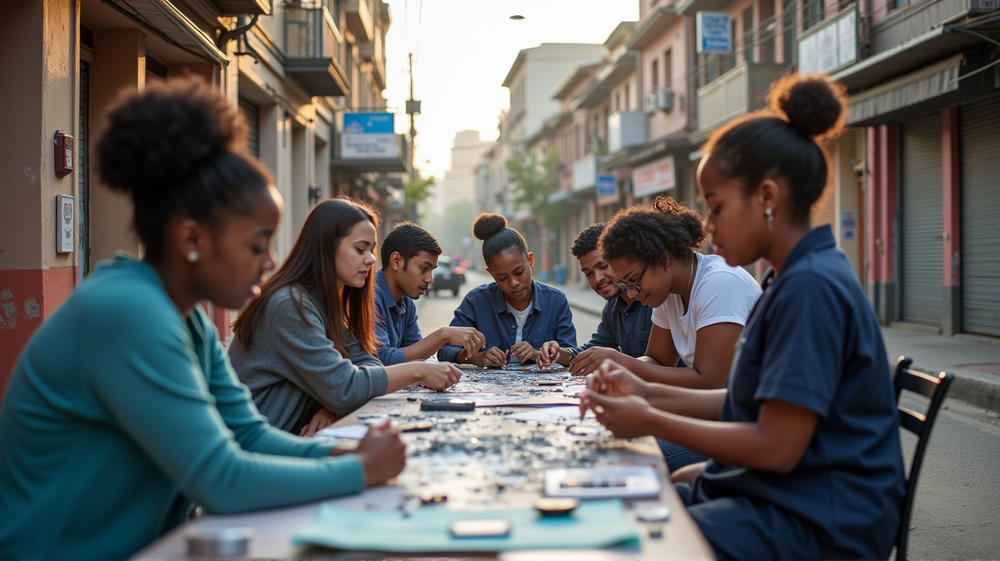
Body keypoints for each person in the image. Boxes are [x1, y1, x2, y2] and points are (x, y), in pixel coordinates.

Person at [0, 79, 405, 559]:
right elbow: (222, 479)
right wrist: (358, 471)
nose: (269, 261)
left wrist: (343, 454)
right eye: (257, 244)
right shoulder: (126, 312)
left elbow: (248, 433)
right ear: (192, 239)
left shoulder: (186, 319)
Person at [580, 74, 905, 560]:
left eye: (715, 206)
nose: (705, 226)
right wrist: (646, 391)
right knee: (630, 498)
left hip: (821, 517)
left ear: (767, 198)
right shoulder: (792, 278)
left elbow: (776, 446)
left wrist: (649, 417)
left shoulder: (810, 288)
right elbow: (747, 402)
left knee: (631, 534)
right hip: (792, 494)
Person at [230, 200, 463, 436]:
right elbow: (344, 387)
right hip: (256, 454)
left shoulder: (324, 303)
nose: (371, 260)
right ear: (326, 248)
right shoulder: (289, 305)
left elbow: (368, 362)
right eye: (360, 249)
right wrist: (418, 371)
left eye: (371, 250)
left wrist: (331, 406)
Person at [581, 196, 760, 388]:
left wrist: (622, 362)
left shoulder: (719, 283)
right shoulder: (669, 293)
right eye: (626, 285)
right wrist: (613, 369)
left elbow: (708, 383)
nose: (632, 294)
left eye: (634, 280)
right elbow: (657, 360)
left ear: (663, 258)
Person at [438, 213, 576, 366]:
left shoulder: (556, 301)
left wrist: (539, 354)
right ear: (490, 273)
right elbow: (445, 351)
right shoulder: (476, 302)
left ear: (530, 259)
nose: (514, 283)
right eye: (502, 278)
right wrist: (476, 358)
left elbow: (572, 354)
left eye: (519, 272)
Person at [537, 224, 654, 371]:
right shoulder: (612, 307)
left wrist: (616, 360)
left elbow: (662, 366)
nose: (597, 278)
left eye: (603, 266)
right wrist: (558, 353)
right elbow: (593, 351)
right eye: (588, 273)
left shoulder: (655, 299)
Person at [373, 222, 485, 365]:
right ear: (396, 261)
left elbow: (417, 353)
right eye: (423, 268)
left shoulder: (406, 301)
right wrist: (443, 335)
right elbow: (380, 361)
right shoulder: (369, 298)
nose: (430, 279)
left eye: (432, 270)